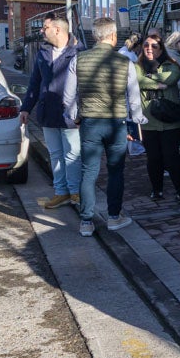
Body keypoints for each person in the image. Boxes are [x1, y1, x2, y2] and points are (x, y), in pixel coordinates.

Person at [73, 17, 145, 236]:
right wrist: (138, 118)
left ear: (95, 36)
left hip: (90, 122)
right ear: (113, 36)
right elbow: (133, 97)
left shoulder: (79, 59)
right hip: (116, 122)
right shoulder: (125, 63)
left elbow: (71, 93)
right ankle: (114, 217)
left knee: (89, 171)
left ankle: (86, 221)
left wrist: (74, 114)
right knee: (116, 171)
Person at [20, 17, 81, 210]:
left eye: (45, 28)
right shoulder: (43, 52)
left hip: (70, 113)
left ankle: (75, 192)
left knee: (72, 155)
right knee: (55, 154)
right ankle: (60, 192)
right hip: (47, 111)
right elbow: (35, 82)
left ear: (57, 30)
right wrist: (26, 107)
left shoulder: (78, 52)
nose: (42, 31)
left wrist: (82, 112)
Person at [134, 36, 180, 204]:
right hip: (148, 120)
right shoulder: (137, 66)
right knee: (153, 158)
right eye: (146, 45)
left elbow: (171, 77)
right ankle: (156, 190)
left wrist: (147, 80)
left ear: (161, 48)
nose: (150, 48)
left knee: (172, 157)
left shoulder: (171, 64)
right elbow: (135, 80)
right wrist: (157, 84)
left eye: (154, 46)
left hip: (170, 120)